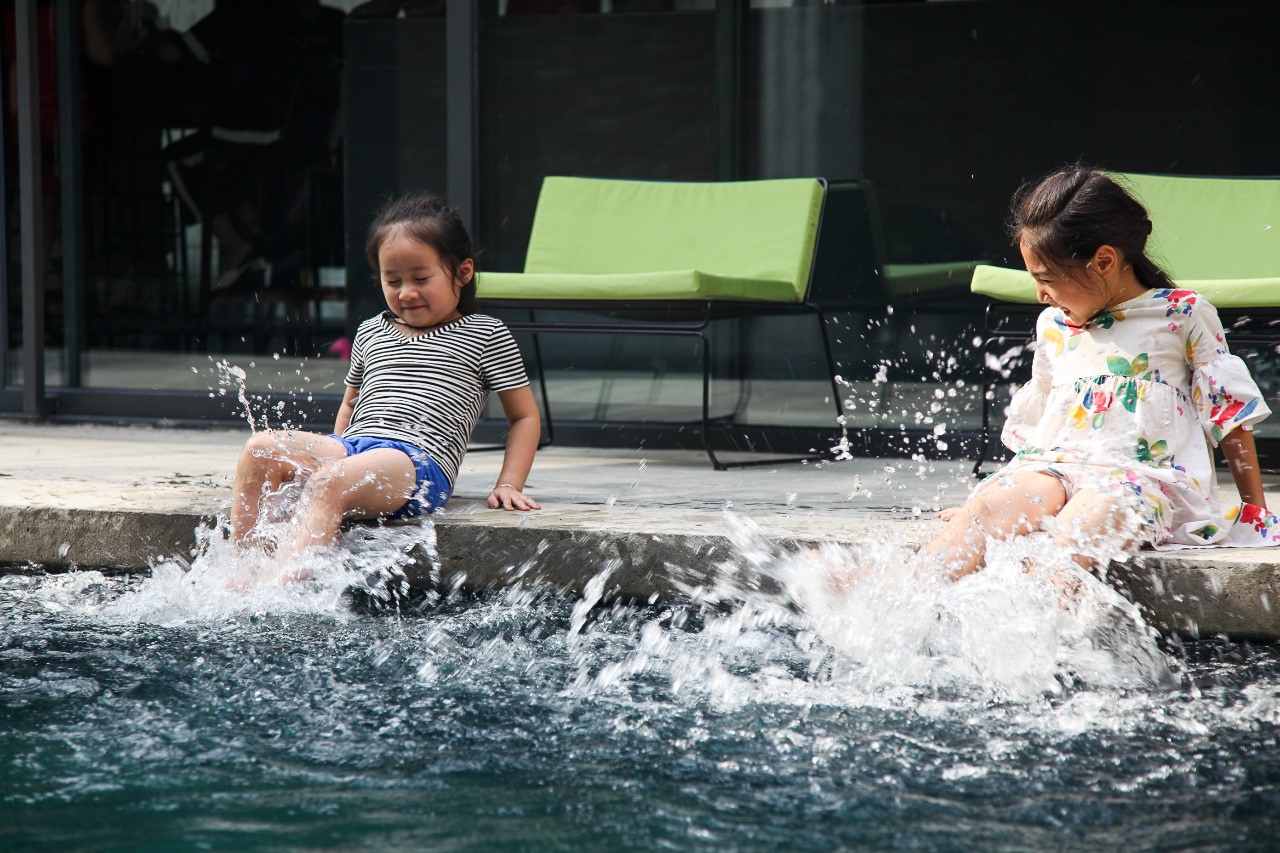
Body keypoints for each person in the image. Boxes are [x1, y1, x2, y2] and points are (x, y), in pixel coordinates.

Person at [923, 165, 1277, 582]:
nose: (1040, 295)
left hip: (1142, 480)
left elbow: (1228, 413)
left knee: (1080, 528)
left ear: (1104, 261)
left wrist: (1255, 508)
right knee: (983, 512)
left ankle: (1047, 638)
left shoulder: (1181, 314)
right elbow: (1043, 422)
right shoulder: (1053, 324)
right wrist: (989, 506)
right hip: (1056, 466)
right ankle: (898, 608)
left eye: (1046, 279)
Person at [230, 192, 541, 575]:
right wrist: (337, 450)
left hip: (419, 464)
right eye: (392, 280)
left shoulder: (485, 334)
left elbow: (524, 417)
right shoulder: (372, 331)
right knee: (261, 448)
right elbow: (351, 403)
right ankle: (243, 572)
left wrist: (509, 483)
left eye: (421, 278)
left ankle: (284, 591)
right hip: (356, 447)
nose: (406, 292)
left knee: (330, 483)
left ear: (463, 272)